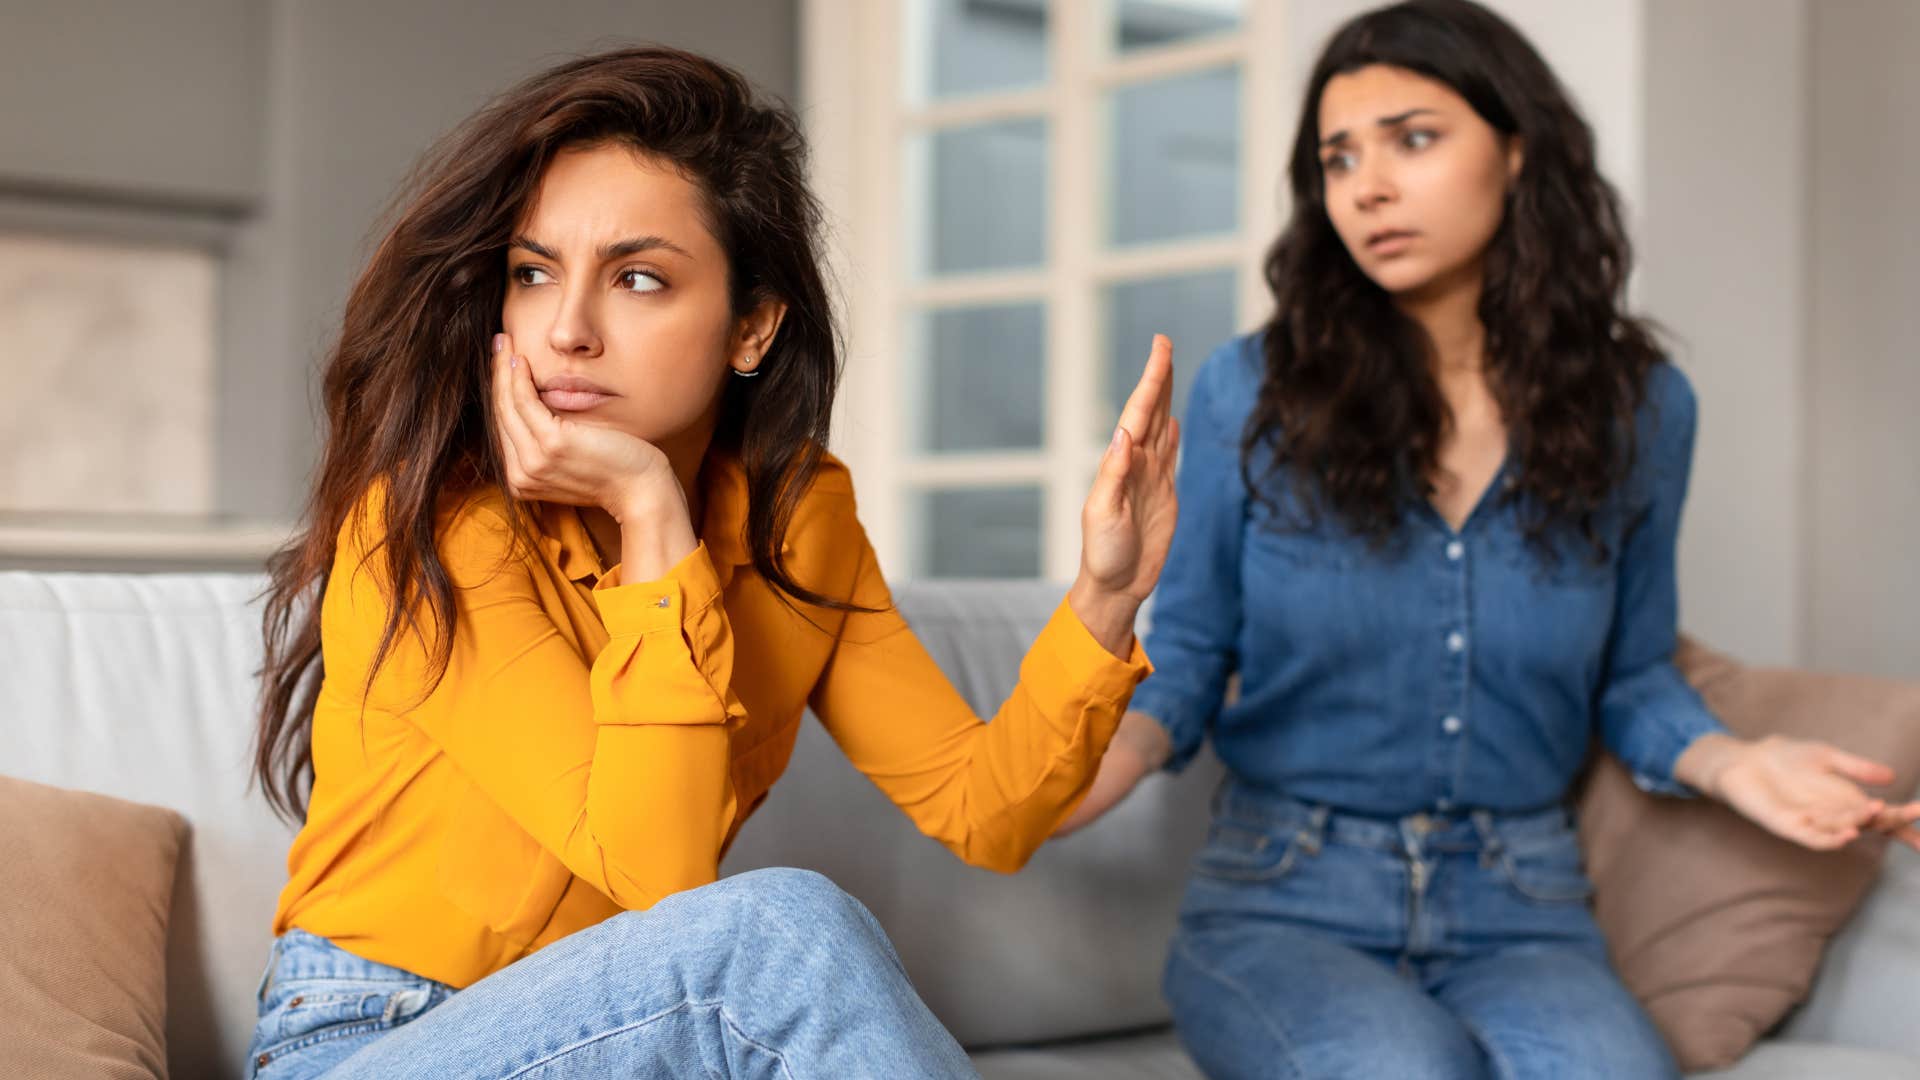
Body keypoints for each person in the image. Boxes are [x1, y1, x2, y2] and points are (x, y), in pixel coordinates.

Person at [245, 45, 1179, 1078]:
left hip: (638, 1044)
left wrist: (1109, 591)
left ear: (752, 326)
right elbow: (660, 879)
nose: (567, 330)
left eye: (638, 278)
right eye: (533, 273)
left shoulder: (796, 520)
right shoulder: (434, 526)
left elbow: (985, 810)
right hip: (374, 1039)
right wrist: (652, 513)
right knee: (777, 929)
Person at [1054, 2, 1920, 1077]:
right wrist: (1070, 774)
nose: (1367, 185)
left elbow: (1633, 672)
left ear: (1515, 151)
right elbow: (1183, 660)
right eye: (1338, 158)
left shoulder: (1641, 410)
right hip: (1286, 901)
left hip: (1527, 908)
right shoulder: (1254, 390)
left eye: (1413, 138)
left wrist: (1738, 764)